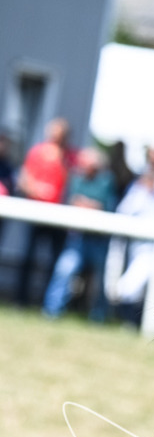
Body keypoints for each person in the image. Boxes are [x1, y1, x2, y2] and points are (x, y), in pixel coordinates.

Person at [104, 148, 154, 325]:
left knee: (135, 285)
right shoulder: (137, 188)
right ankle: (126, 319)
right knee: (124, 284)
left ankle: (135, 321)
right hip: (131, 245)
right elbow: (123, 211)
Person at [43, 147, 117, 321]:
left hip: (98, 240)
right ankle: (51, 311)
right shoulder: (76, 179)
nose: (83, 167)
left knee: (99, 279)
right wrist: (89, 205)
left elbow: (106, 207)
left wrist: (87, 205)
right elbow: (69, 201)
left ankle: (98, 316)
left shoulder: (106, 181)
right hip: (77, 239)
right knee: (64, 270)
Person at [15, 118, 72, 305]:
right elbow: (23, 179)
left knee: (54, 261)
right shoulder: (37, 152)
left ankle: (45, 302)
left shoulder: (67, 157)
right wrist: (37, 190)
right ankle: (21, 298)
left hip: (57, 216)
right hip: (36, 212)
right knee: (28, 256)